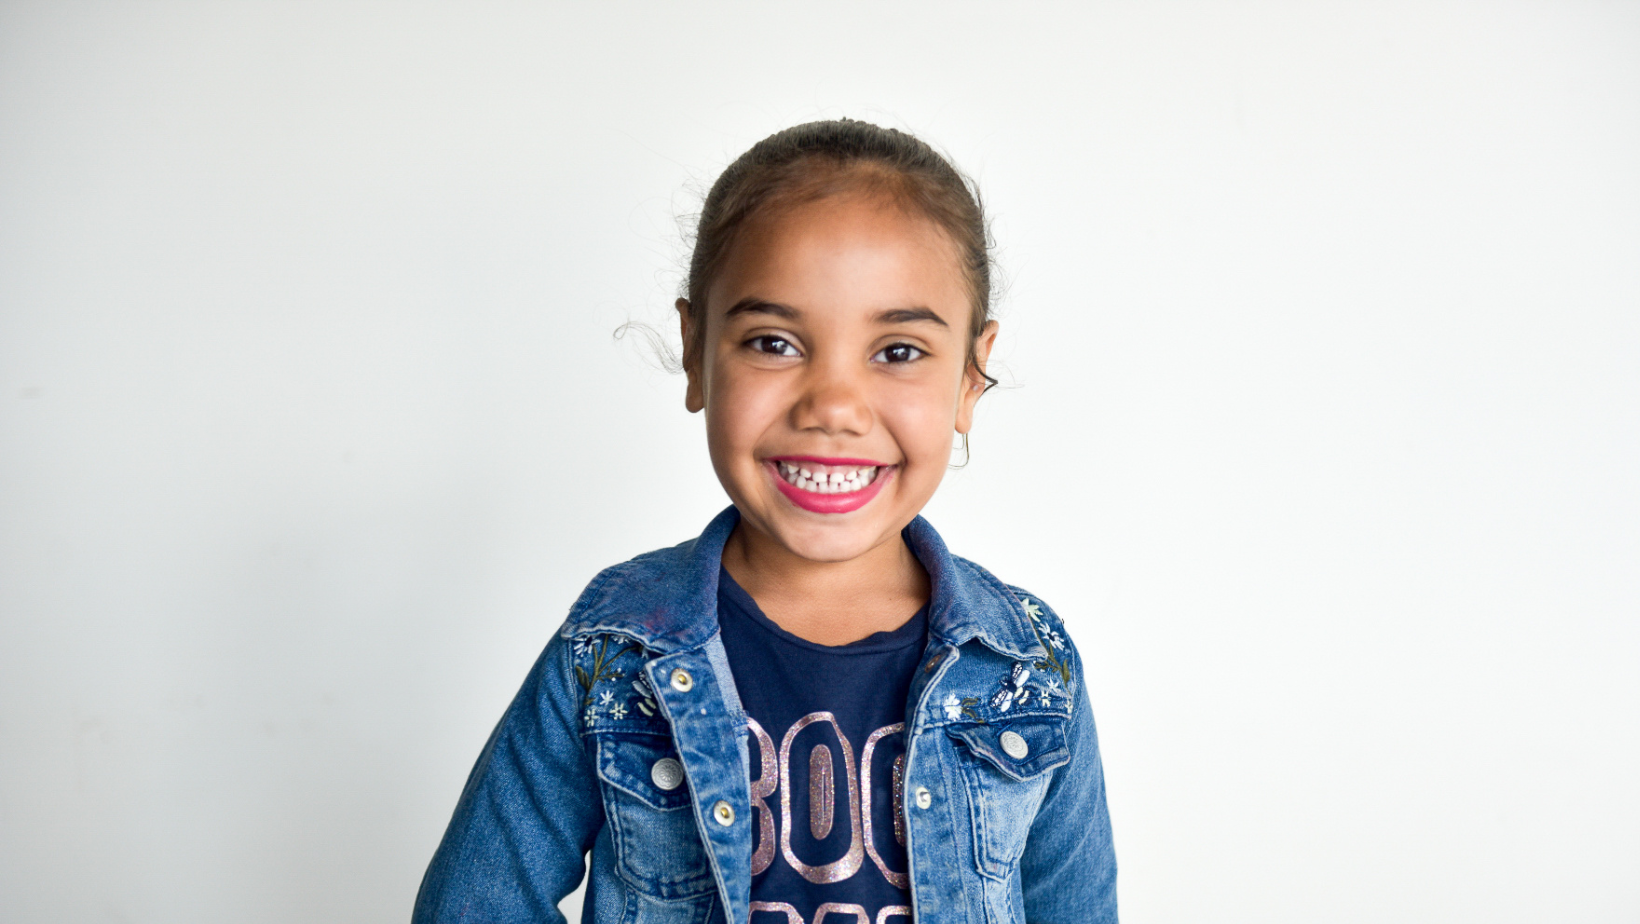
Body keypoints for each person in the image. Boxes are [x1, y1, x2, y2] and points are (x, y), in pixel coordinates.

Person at [413, 119, 1117, 924]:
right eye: (774, 343)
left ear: (969, 377)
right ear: (696, 351)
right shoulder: (613, 650)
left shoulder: (1029, 666)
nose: (834, 407)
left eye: (897, 351)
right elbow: (472, 905)